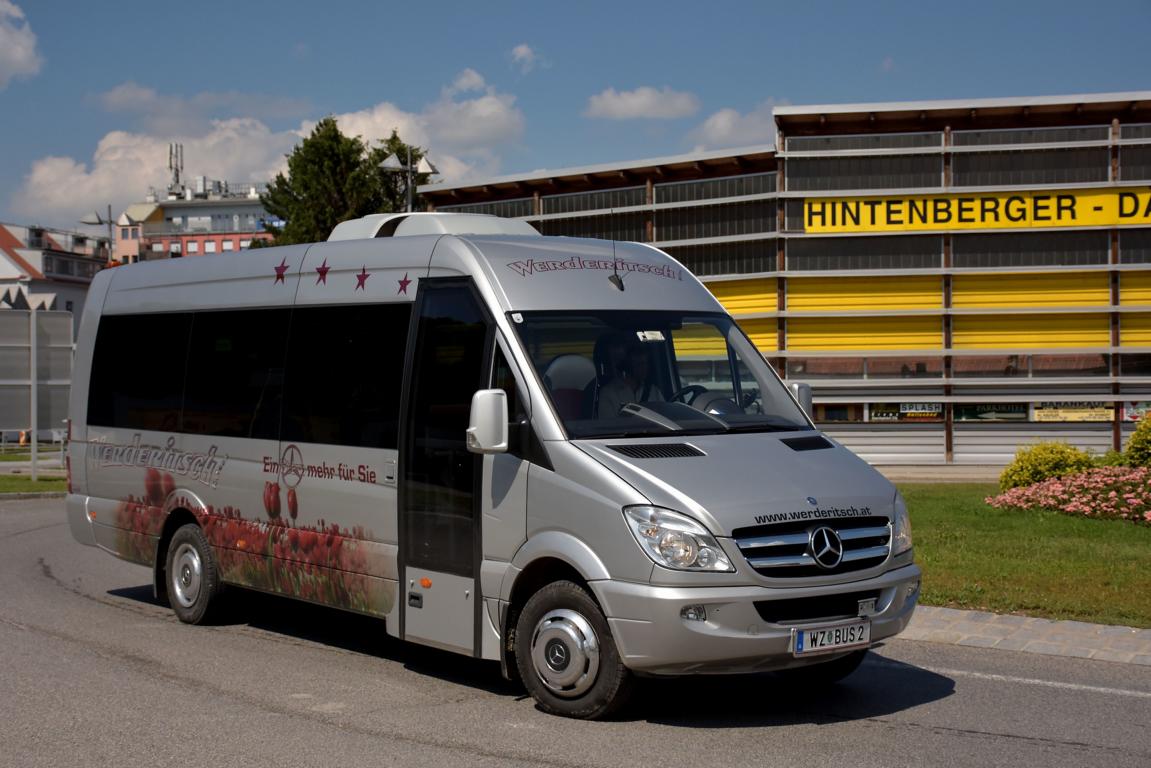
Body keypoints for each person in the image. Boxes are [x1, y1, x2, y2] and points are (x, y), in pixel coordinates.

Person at [597, 341, 664, 417]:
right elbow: (606, 426)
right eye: (640, 364)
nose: (645, 368)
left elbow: (665, 417)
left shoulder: (654, 391)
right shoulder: (609, 393)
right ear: (627, 365)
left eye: (646, 363)